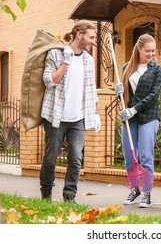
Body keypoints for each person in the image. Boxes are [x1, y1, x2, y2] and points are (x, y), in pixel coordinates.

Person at [40, 20, 100, 202]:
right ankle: (46, 193)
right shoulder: (56, 54)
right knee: (51, 158)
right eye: (91, 37)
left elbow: (90, 89)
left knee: (75, 158)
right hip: (56, 116)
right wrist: (66, 62)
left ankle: (69, 196)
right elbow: (49, 81)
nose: (93, 41)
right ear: (79, 34)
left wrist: (95, 113)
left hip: (78, 118)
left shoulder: (89, 60)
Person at [115, 33, 161, 208]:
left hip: (148, 117)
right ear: (139, 49)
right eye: (147, 51)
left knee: (146, 156)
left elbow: (154, 95)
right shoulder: (127, 68)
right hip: (130, 119)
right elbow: (125, 96)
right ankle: (135, 188)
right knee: (129, 156)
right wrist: (119, 90)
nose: (151, 54)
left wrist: (134, 109)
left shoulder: (157, 70)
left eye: (153, 51)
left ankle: (146, 192)